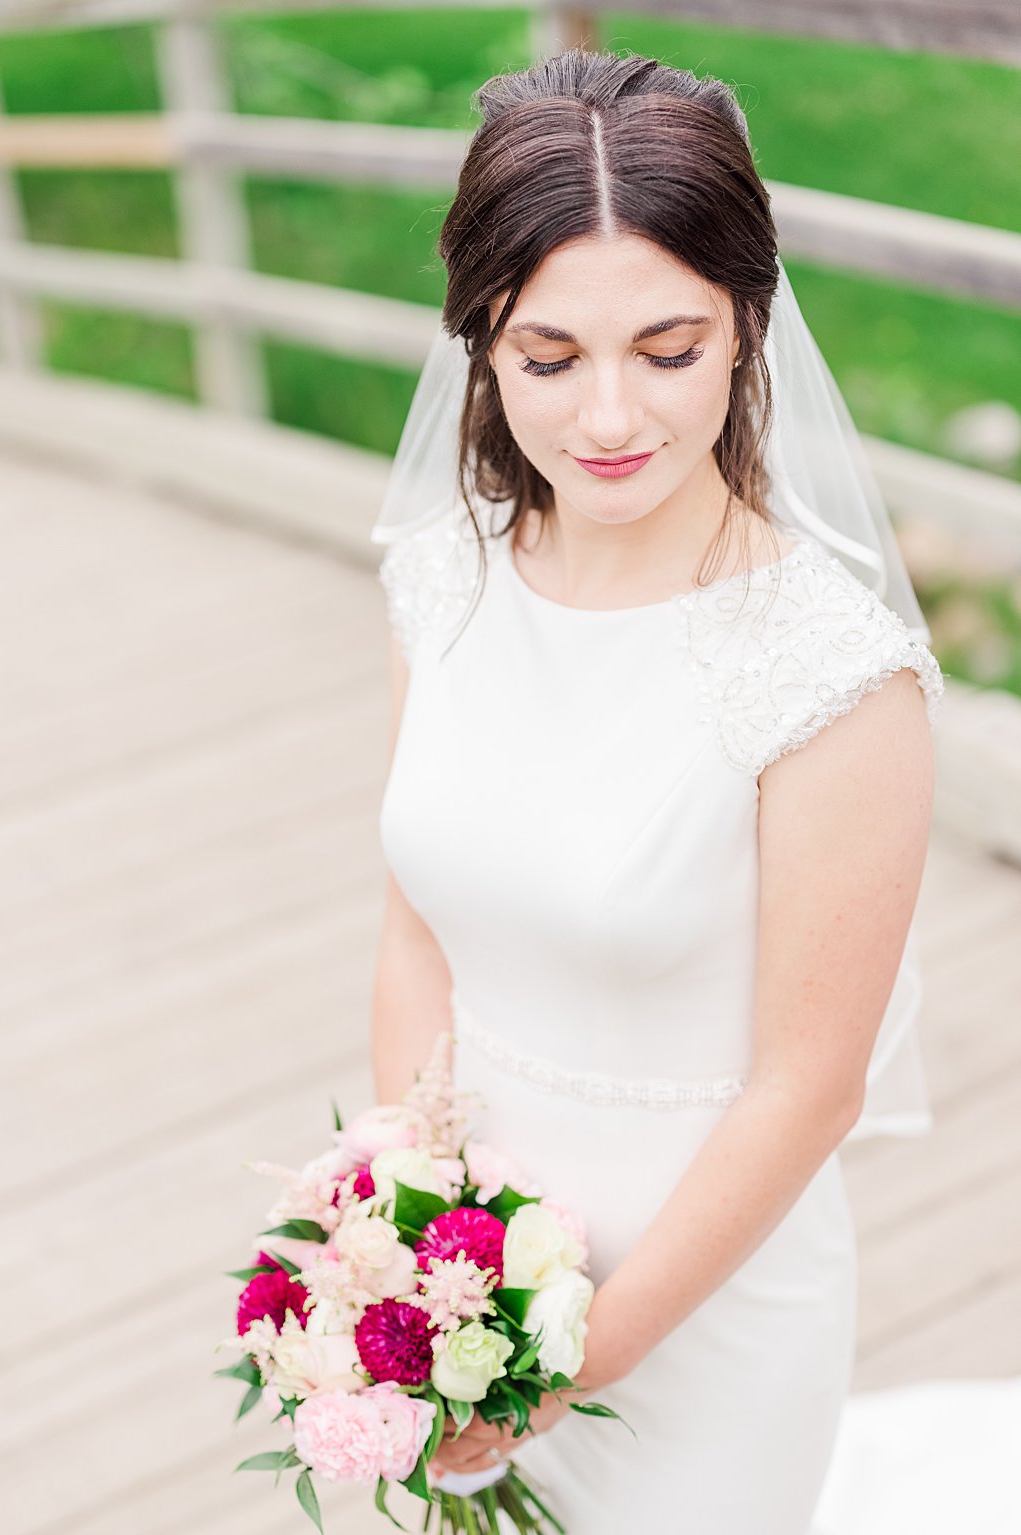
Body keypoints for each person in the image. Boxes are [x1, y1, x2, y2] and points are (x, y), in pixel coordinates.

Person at [370, 52, 941, 1530]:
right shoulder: (443, 582)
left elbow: (811, 1081)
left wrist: (562, 1358)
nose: (608, 416)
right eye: (548, 358)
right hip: (462, 1264)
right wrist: (415, 1239)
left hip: (709, 1302)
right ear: (483, 347)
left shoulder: (832, 671)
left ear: (750, 325)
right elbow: (414, 924)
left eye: (669, 349)